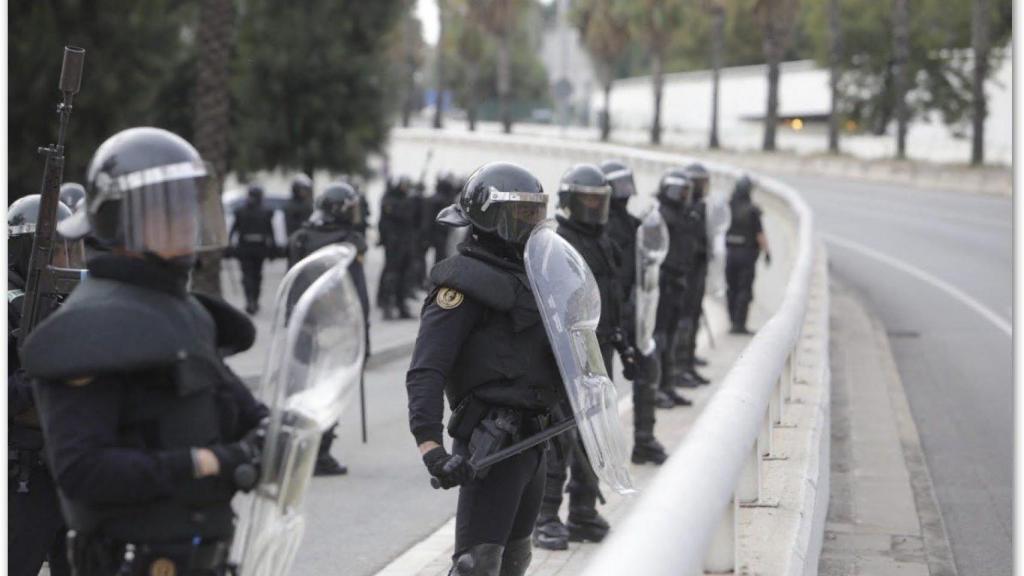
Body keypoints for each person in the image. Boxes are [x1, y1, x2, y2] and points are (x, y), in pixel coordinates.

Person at [21, 127, 269, 576]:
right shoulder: (86, 326)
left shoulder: (188, 312)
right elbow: (83, 470)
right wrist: (202, 463)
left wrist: (279, 431)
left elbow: (241, 412)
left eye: (189, 204)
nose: (187, 219)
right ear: (119, 220)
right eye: (168, 208)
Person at [405, 161, 560, 575]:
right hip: (491, 442)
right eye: (521, 214)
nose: (531, 223)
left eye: (535, 213)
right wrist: (431, 448)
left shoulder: (534, 276)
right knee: (477, 565)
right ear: (491, 216)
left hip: (534, 439)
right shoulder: (461, 284)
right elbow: (426, 369)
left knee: (515, 559)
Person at [532, 164, 628, 551]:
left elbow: (614, 297)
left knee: (596, 434)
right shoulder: (558, 246)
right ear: (571, 201)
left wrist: (626, 340)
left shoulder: (606, 241)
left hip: (600, 351)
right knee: (560, 436)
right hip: (567, 354)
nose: (593, 207)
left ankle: (583, 511)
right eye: (587, 199)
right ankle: (546, 516)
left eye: (598, 200)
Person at [8, 195, 83, 576]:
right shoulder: (10, 309)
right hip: (23, 478)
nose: (67, 260)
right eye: (55, 249)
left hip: (70, 470)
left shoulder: (63, 303)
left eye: (70, 249)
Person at [288, 181, 372, 476]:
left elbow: (293, 284)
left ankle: (298, 450)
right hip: (337, 328)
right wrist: (365, 333)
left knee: (302, 388)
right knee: (330, 389)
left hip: (303, 324)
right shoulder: (350, 243)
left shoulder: (300, 238)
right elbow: (358, 294)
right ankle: (320, 452)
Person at [601, 160, 669, 466]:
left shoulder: (633, 225)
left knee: (647, 367)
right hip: (602, 316)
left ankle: (643, 440)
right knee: (598, 393)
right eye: (620, 186)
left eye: (627, 186)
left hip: (631, 311)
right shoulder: (595, 229)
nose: (626, 193)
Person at [654, 170, 697, 409]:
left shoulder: (683, 215)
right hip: (664, 284)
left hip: (678, 282)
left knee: (670, 337)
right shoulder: (661, 216)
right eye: (681, 191)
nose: (685, 196)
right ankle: (659, 388)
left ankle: (668, 386)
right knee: (660, 337)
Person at [673, 163, 712, 388]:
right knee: (684, 319)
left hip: (698, 270)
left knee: (694, 316)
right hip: (687, 273)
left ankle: (688, 361)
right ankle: (679, 365)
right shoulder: (686, 210)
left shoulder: (700, 207)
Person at [725, 175, 770, 334]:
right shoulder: (752, 210)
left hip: (730, 254)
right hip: (746, 256)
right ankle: (739, 324)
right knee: (744, 290)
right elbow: (760, 234)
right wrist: (767, 252)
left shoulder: (728, 206)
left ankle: (732, 321)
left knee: (732, 288)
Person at [230, 184, 278, 314]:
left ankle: (251, 300)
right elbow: (270, 232)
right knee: (255, 275)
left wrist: (229, 245)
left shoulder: (243, 211)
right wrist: (272, 248)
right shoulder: (263, 212)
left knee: (250, 275)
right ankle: (252, 300)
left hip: (249, 247)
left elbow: (233, 230)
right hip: (255, 247)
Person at [378, 177, 416, 319]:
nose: (406, 188)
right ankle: (387, 306)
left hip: (406, 242)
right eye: (404, 185)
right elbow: (396, 215)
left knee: (405, 275)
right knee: (391, 275)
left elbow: (411, 217)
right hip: (393, 243)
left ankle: (401, 307)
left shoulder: (407, 199)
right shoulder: (388, 200)